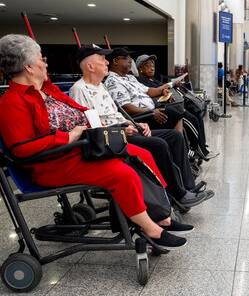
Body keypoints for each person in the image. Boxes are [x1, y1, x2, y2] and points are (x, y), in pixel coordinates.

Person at [0, 34, 192, 250]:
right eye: (41, 59)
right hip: (56, 162)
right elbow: (20, 149)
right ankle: (151, 229)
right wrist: (68, 137)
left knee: (143, 155)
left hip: (82, 148)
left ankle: (161, 215)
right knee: (123, 173)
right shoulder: (13, 102)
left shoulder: (48, 91)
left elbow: (87, 114)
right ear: (28, 66)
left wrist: (107, 129)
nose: (46, 62)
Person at [69, 45, 209, 207]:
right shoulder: (79, 90)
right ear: (90, 66)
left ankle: (187, 188)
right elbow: (88, 126)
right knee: (159, 144)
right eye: (102, 59)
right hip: (110, 140)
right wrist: (122, 128)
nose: (106, 62)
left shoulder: (101, 86)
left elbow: (116, 113)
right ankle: (177, 194)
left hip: (124, 129)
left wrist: (135, 123)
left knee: (174, 136)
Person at [135, 54, 220, 159]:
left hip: (173, 105)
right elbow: (154, 92)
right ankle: (200, 149)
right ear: (140, 68)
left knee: (197, 117)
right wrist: (167, 86)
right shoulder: (140, 82)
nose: (152, 68)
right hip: (163, 108)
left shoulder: (154, 80)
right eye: (148, 66)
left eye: (153, 66)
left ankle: (202, 146)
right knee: (190, 120)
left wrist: (173, 85)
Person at [104, 48, 184, 132]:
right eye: (127, 58)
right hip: (140, 118)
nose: (131, 61)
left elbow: (148, 91)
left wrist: (162, 91)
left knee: (178, 111)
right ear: (116, 61)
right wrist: (150, 112)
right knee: (175, 114)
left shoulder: (130, 78)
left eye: (131, 59)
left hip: (150, 112)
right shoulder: (113, 81)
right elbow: (125, 107)